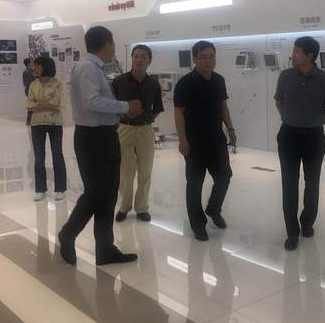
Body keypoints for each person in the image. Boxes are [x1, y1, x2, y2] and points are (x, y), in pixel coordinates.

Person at [57, 26, 143, 266]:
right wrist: (125, 107)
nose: (114, 48)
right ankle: (68, 233)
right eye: (113, 43)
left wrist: (119, 111)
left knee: (108, 194)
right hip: (94, 139)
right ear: (107, 44)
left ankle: (105, 249)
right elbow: (92, 101)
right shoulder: (87, 68)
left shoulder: (94, 68)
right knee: (96, 193)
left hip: (103, 136)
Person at [274, 36, 325, 251]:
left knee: (312, 182)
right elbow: (278, 101)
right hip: (288, 135)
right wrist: (288, 117)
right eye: (293, 51)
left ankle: (307, 222)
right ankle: (292, 232)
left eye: (297, 52)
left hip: (314, 137)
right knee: (289, 183)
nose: (293, 55)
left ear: (309, 56)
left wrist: (319, 120)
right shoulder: (285, 76)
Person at [173, 40, 236, 241]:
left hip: (216, 139)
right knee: (195, 184)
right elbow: (178, 113)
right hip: (194, 142)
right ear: (195, 59)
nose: (209, 61)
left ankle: (213, 209)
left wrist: (230, 128)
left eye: (212, 57)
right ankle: (198, 224)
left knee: (224, 177)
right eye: (204, 57)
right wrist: (182, 140)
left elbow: (223, 106)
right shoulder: (185, 83)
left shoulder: (219, 80)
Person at [112, 44, 164, 223]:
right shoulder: (119, 82)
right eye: (136, 56)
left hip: (145, 130)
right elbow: (112, 107)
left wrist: (146, 120)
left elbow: (157, 109)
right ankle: (124, 206)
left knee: (145, 170)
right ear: (132, 58)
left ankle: (142, 207)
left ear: (149, 61)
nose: (139, 59)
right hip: (124, 129)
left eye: (143, 57)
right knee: (125, 172)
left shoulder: (153, 84)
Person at [25, 56, 67, 202]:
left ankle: (60, 189)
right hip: (37, 124)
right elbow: (28, 104)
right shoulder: (33, 84)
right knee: (38, 157)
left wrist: (39, 104)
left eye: (37, 66)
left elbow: (59, 103)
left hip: (55, 124)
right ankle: (40, 189)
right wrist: (46, 104)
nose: (34, 68)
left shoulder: (58, 84)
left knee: (57, 155)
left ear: (45, 67)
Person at [22, 58, 36, 126]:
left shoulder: (31, 71)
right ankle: (29, 122)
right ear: (28, 63)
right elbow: (29, 83)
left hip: (32, 91)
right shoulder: (27, 72)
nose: (33, 62)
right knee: (31, 106)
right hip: (30, 91)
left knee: (32, 106)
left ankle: (30, 122)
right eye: (31, 62)